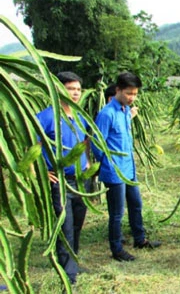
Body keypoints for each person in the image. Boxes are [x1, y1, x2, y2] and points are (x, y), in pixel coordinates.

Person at [92, 72, 161, 262]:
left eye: (135, 94)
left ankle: (139, 239)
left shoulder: (124, 111)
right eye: (128, 93)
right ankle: (117, 249)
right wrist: (108, 165)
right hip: (115, 173)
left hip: (129, 169)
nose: (132, 97)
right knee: (117, 213)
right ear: (118, 90)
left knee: (136, 205)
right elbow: (97, 144)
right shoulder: (107, 113)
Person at [36, 71, 90, 284]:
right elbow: (33, 144)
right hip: (60, 181)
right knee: (65, 227)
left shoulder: (80, 116)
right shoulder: (47, 116)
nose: (75, 93)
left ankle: (72, 263)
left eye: (78, 89)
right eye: (70, 88)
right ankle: (68, 274)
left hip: (81, 180)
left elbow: (85, 141)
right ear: (58, 90)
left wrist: (86, 163)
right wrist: (41, 172)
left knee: (77, 224)